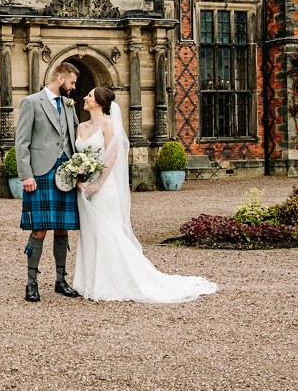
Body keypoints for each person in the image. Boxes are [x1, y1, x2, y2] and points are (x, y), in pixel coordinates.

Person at [72, 87, 218, 303]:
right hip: (84, 187)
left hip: (104, 188)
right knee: (90, 232)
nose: (85, 97)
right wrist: (78, 176)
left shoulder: (108, 125)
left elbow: (111, 158)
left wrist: (98, 184)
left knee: (107, 231)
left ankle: (113, 282)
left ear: (101, 102)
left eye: (90, 95)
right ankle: (89, 282)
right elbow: (78, 156)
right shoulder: (81, 127)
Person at [14, 61, 82, 302]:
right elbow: (21, 142)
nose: (74, 88)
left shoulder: (68, 104)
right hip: (41, 173)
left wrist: (81, 169)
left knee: (63, 228)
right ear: (60, 79)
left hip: (66, 173)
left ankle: (60, 280)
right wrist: (26, 175)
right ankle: (31, 283)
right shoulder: (31, 102)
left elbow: (74, 137)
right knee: (40, 228)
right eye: (72, 82)